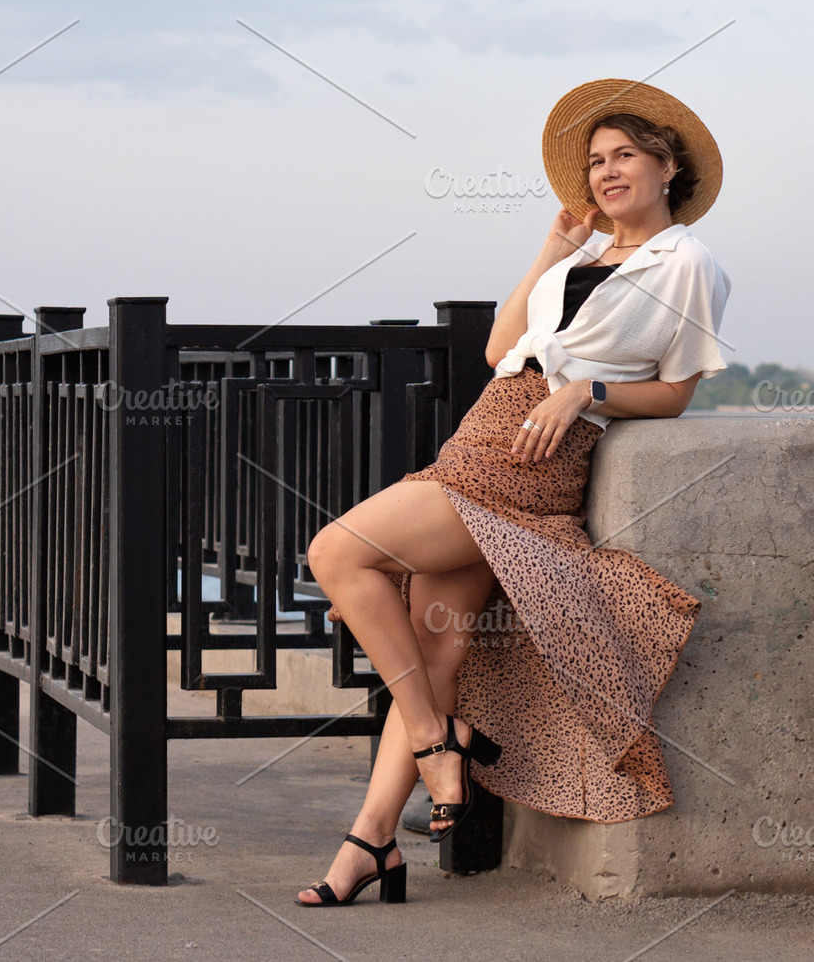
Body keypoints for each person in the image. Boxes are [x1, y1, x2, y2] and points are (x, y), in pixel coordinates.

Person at [295, 79, 732, 907]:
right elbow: (502, 344)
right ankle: (370, 844)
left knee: (336, 551)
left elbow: (675, 393)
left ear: (667, 166)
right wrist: (549, 248)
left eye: (624, 156)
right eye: (597, 161)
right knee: (437, 653)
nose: (607, 173)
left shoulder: (688, 264)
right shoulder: (578, 258)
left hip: (536, 455)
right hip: (486, 430)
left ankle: (436, 737)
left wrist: (586, 392)